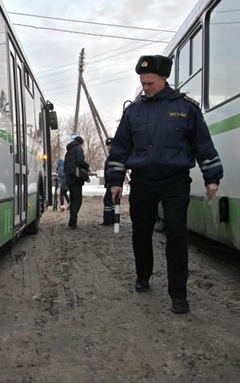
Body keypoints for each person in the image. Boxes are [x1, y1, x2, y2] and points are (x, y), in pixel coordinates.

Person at [107, 55, 223, 314]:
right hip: (142, 181)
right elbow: (120, 149)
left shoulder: (186, 109)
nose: (145, 88)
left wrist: (212, 177)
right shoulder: (133, 113)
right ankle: (143, 275)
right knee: (141, 232)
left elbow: (203, 144)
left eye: (149, 83)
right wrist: (115, 181)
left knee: (177, 236)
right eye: (142, 83)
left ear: (164, 78)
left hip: (175, 180)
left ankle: (178, 294)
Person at [63, 136, 90, 229]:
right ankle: (73, 221)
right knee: (77, 200)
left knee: (73, 199)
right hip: (76, 178)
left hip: (69, 178)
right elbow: (80, 161)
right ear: (80, 143)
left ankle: (72, 220)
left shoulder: (68, 151)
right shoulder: (78, 149)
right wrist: (87, 166)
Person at [100, 137, 114, 225]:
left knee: (109, 200)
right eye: (108, 146)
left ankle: (109, 219)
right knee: (111, 201)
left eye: (110, 145)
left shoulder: (114, 156)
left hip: (113, 182)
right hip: (110, 182)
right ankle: (112, 219)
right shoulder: (110, 157)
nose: (109, 147)